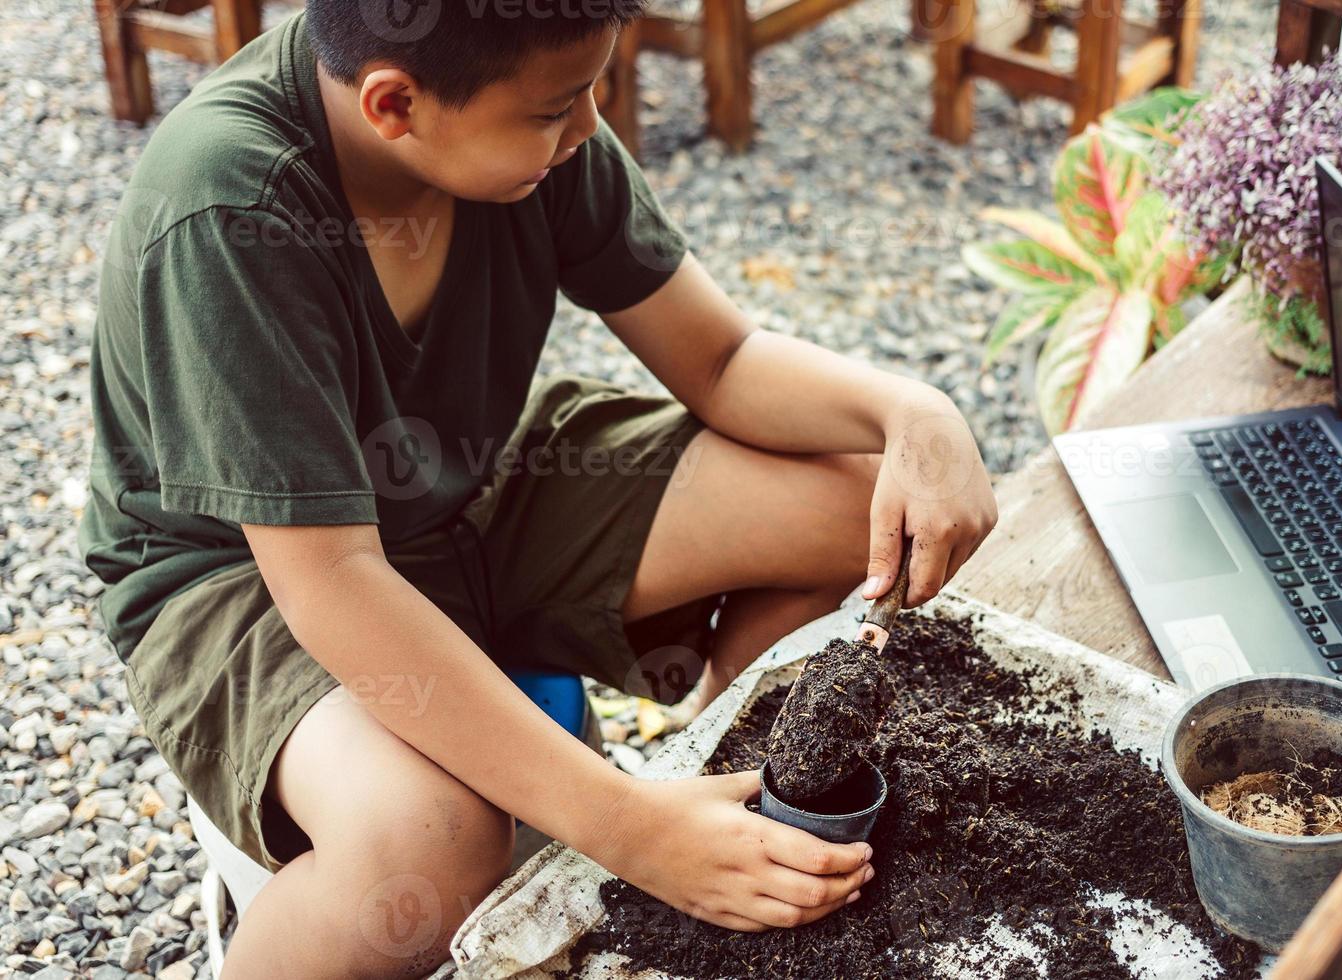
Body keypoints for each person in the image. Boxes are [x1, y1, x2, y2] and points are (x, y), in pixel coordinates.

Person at [78, 0, 998, 974]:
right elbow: (333, 579)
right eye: (558, 109)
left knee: (849, 505)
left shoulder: (531, 124)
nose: (590, 131)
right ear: (394, 105)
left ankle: (731, 828)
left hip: (472, 482)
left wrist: (912, 411)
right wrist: (624, 825)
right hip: (249, 575)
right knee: (428, 845)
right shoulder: (231, 209)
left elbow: (722, 360)